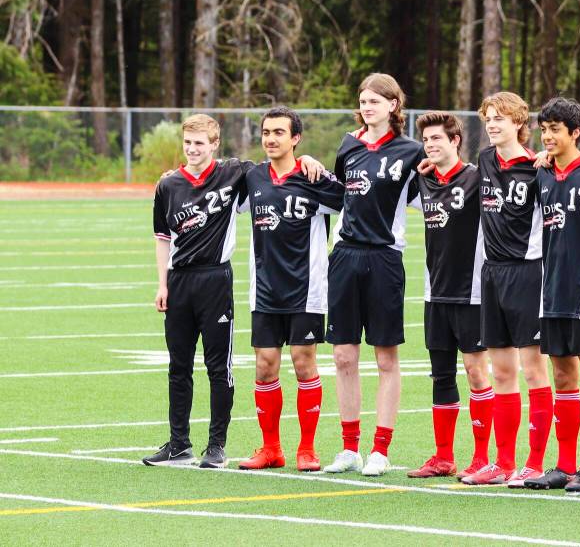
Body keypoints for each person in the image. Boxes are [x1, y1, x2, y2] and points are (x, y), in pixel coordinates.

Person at [146, 113, 323, 469]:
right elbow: (162, 237)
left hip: (216, 280)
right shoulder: (169, 185)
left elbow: (277, 168)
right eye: (188, 143)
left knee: (218, 366)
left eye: (200, 143)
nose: (193, 149)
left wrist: (308, 159)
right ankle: (179, 443)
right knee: (178, 366)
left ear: (215, 145)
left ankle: (217, 445)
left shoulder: (235, 173)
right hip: (179, 280)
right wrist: (162, 283)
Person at [324, 73, 425, 477]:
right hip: (345, 256)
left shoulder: (411, 151)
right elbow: (335, 196)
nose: (368, 107)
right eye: (364, 101)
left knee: (386, 357)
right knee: (344, 355)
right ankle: (349, 448)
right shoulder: (348, 145)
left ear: (393, 106)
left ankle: (380, 449)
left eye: (376, 101)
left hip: (384, 259)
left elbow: (435, 189)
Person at [520, 98, 580, 493]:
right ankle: (562, 466)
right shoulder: (541, 174)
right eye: (544, 129)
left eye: (555, 129)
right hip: (552, 291)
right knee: (562, 378)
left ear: (575, 132)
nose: (547, 137)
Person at [237, 107, 343, 472]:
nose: (270, 139)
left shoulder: (313, 177)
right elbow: (214, 185)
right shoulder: (251, 177)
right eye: (266, 132)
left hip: (307, 288)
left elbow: (350, 199)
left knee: (303, 363)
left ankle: (308, 449)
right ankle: (270, 449)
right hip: (264, 290)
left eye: (279, 132)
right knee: (265, 367)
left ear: (295, 138)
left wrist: (322, 168)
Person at [460, 91, 553, 487]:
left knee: (533, 369)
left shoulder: (538, 167)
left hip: (527, 273)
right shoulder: (484, 160)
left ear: (519, 122)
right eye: (488, 119)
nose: (493, 124)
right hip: (492, 273)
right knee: (501, 372)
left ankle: (534, 462)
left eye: (501, 118)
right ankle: (502, 462)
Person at [406, 112, 494, 479]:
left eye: (437, 139)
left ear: (455, 141)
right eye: (426, 140)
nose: (430, 145)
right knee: (441, 375)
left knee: (476, 372)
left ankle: (481, 456)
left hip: (471, 292)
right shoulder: (422, 181)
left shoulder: (477, 177)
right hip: (434, 293)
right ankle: (443, 456)